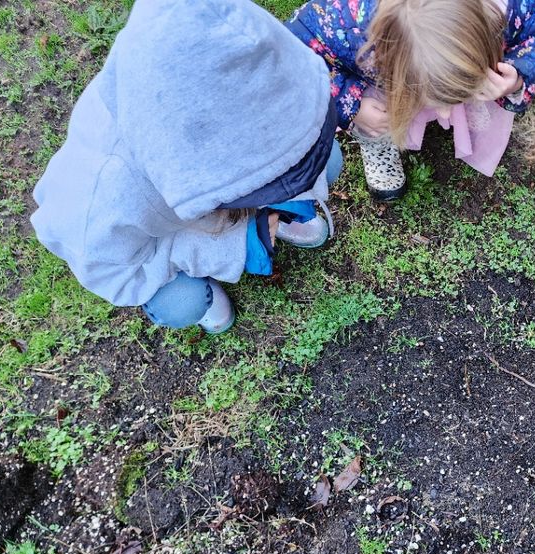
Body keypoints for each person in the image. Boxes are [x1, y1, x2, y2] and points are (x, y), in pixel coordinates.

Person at [31, 0, 343, 334]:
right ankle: (205, 279)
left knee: (328, 160)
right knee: (182, 303)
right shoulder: (98, 207)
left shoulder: (227, 37)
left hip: (201, 189)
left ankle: (266, 214)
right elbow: (120, 276)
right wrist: (233, 244)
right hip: (154, 236)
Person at [286, 0, 535, 200]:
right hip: (376, 82)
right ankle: (377, 143)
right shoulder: (342, 20)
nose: (444, 111)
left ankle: (465, 114)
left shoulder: (510, 7)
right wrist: (352, 104)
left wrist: (518, 74)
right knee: (373, 110)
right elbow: (297, 59)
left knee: (481, 94)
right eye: (439, 100)